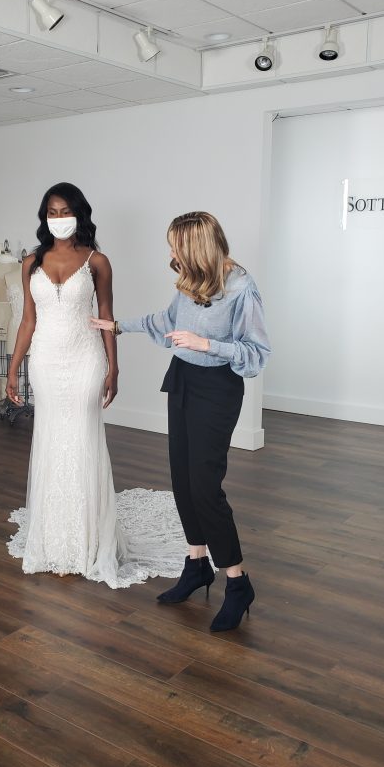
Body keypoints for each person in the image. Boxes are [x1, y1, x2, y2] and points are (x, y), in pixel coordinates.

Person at [92, 212, 270, 631]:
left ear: (195, 248)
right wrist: (118, 327)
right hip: (183, 380)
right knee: (182, 480)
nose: (171, 253)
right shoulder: (192, 281)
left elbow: (256, 353)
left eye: (176, 246)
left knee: (206, 487)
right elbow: (167, 323)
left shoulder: (241, 288)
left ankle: (237, 581)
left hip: (219, 388)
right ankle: (196, 566)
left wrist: (207, 343)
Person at [6, 183, 188, 588]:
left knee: (83, 440)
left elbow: (107, 315)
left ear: (79, 214)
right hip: (46, 362)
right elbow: (28, 321)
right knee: (52, 441)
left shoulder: (97, 261)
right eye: (52, 212)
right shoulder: (31, 262)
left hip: (86, 359)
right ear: (44, 217)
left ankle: (88, 541)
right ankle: (54, 539)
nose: (59, 218)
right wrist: (13, 367)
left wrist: (113, 368)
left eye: (65, 210)